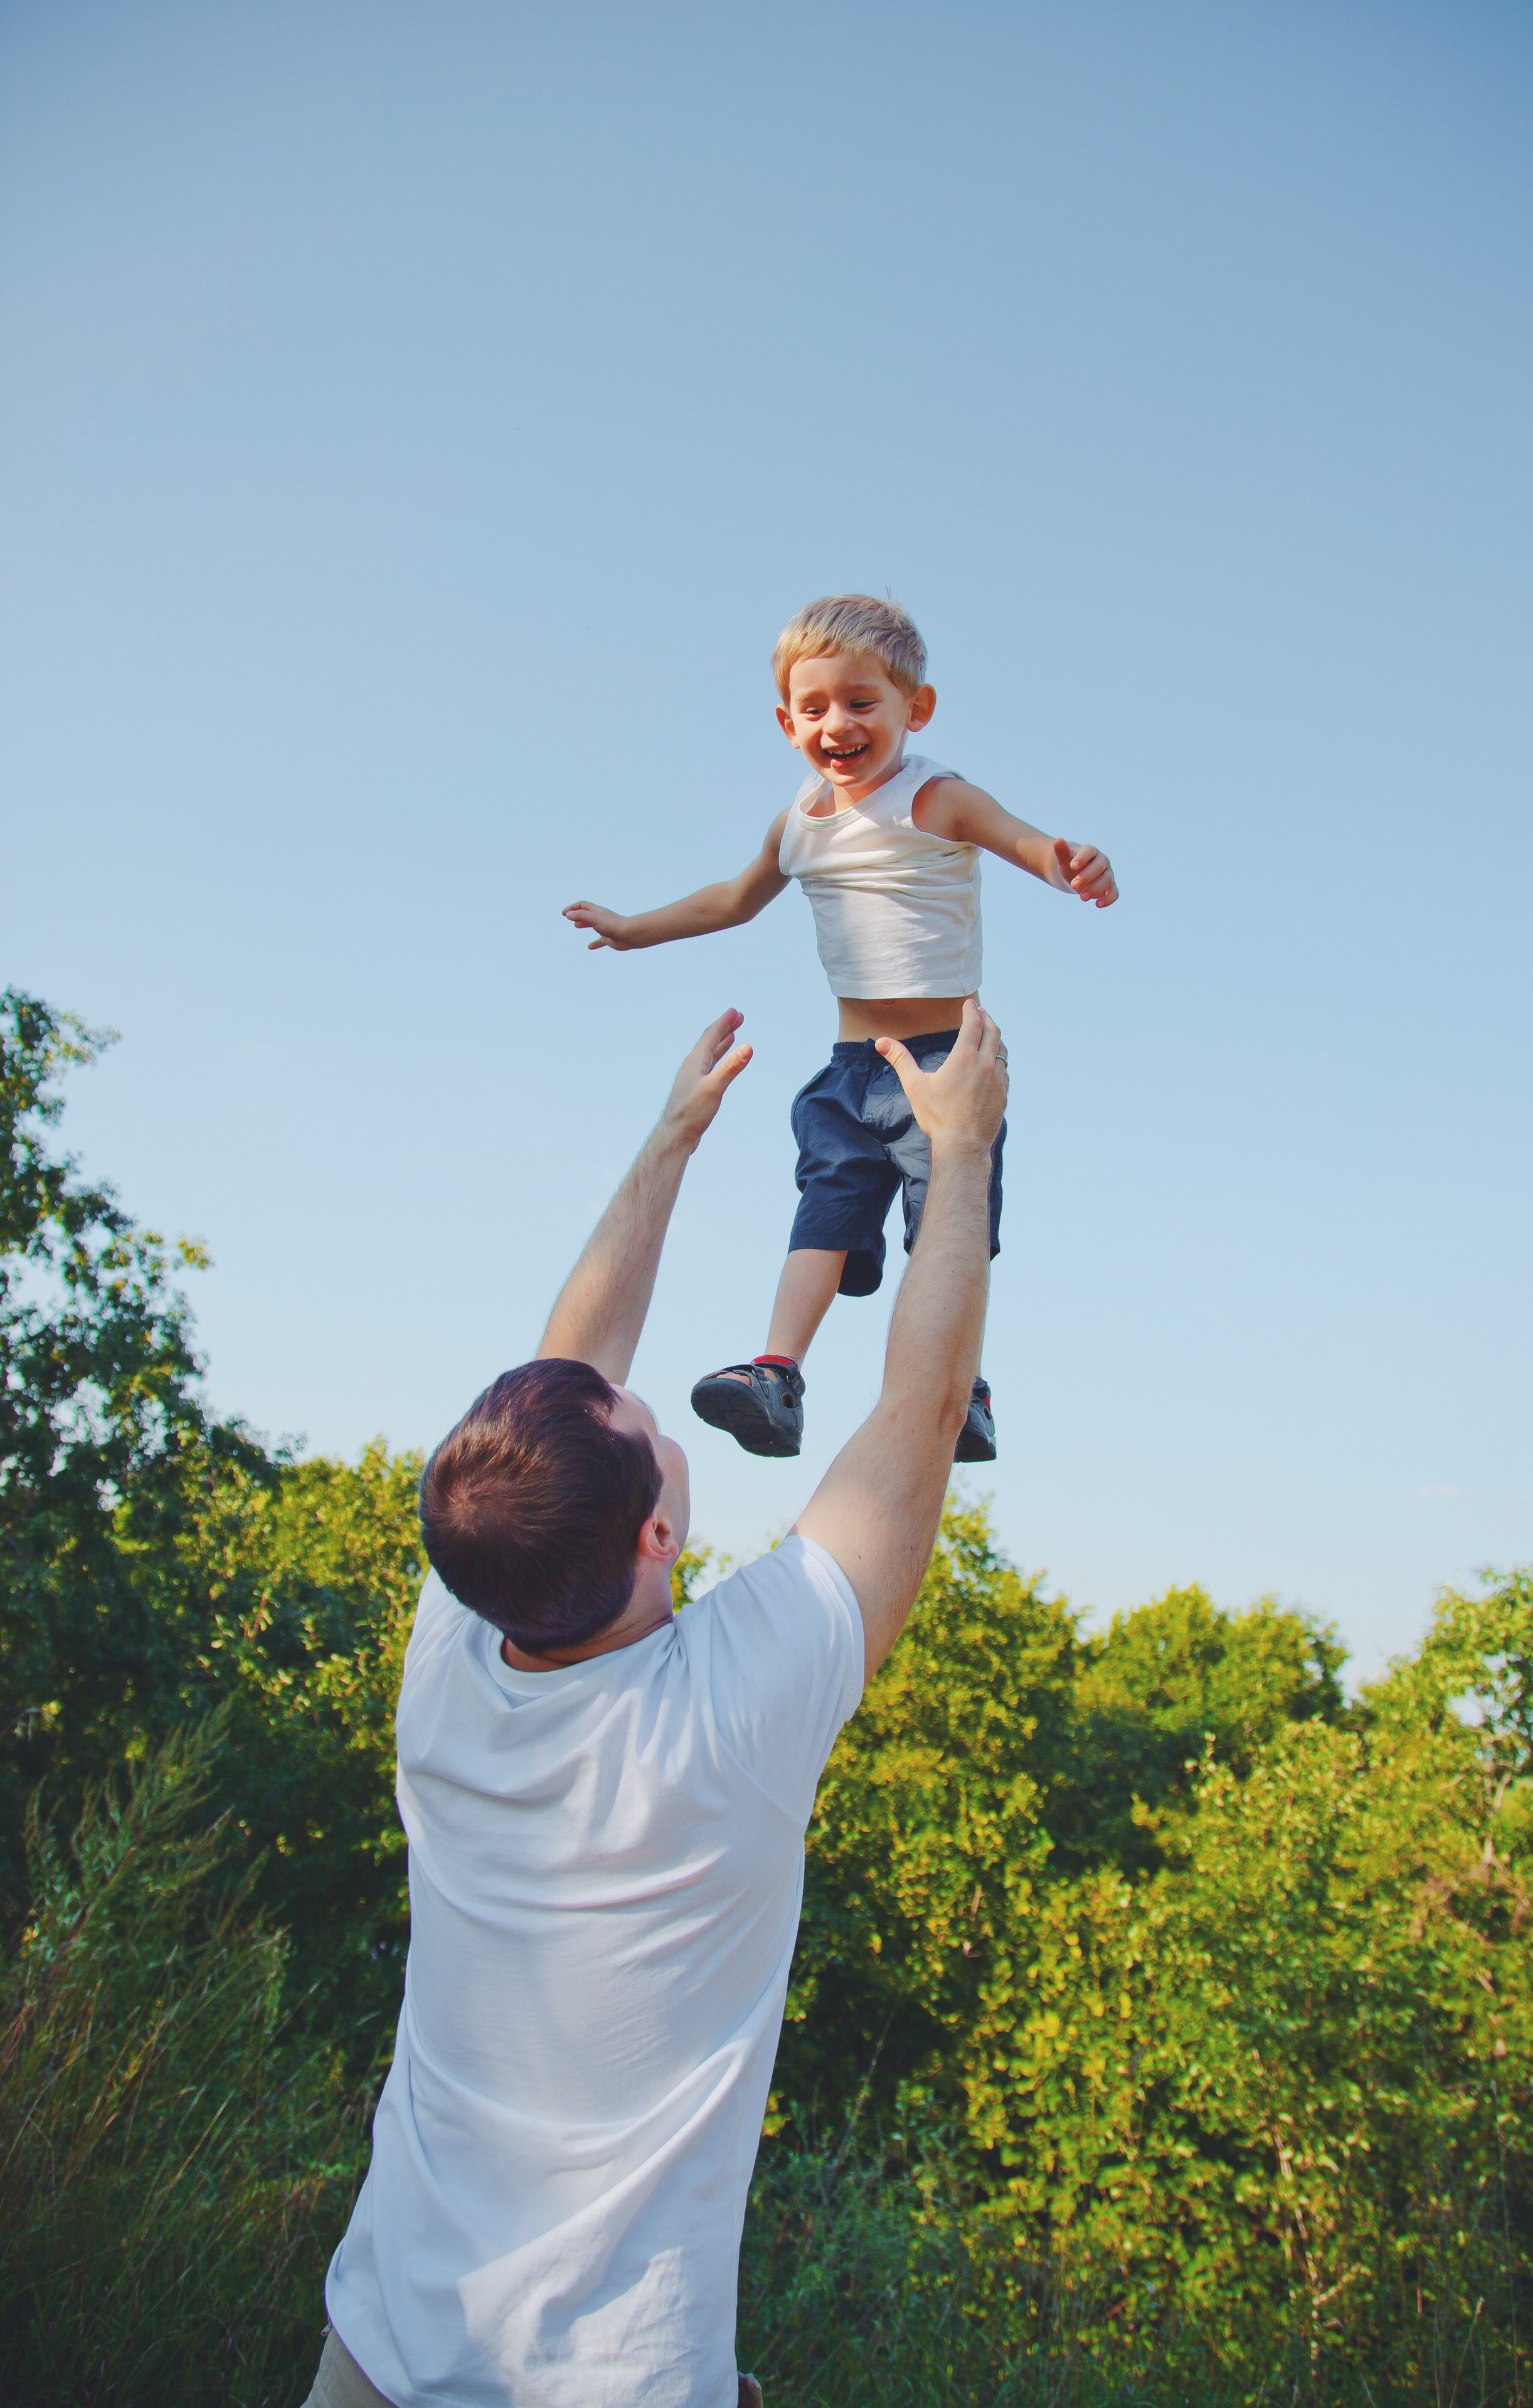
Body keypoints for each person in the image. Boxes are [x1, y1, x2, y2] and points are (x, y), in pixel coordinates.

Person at [303, 999, 1009, 2408]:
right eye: (643, 1433)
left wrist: (670, 1140)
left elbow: (568, 1374)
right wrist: (962, 1160)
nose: (641, 1407)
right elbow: (921, 1417)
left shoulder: (461, 1642)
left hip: (376, 2349)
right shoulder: (724, 1720)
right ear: (653, 1539)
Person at [563, 591, 1116, 1466]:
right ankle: (776, 1377)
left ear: (914, 710)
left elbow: (1023, 842)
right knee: (823, 1211)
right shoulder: (800, 824)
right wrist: (637, 927)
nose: (838, 724)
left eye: (862, 703)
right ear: (787, 721)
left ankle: (958, 1386)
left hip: (942, 1069)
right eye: (815, 708)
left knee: (947, 1223)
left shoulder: (935, 797)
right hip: (850, 1069)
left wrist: (1070, 863)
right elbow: (733, 900)